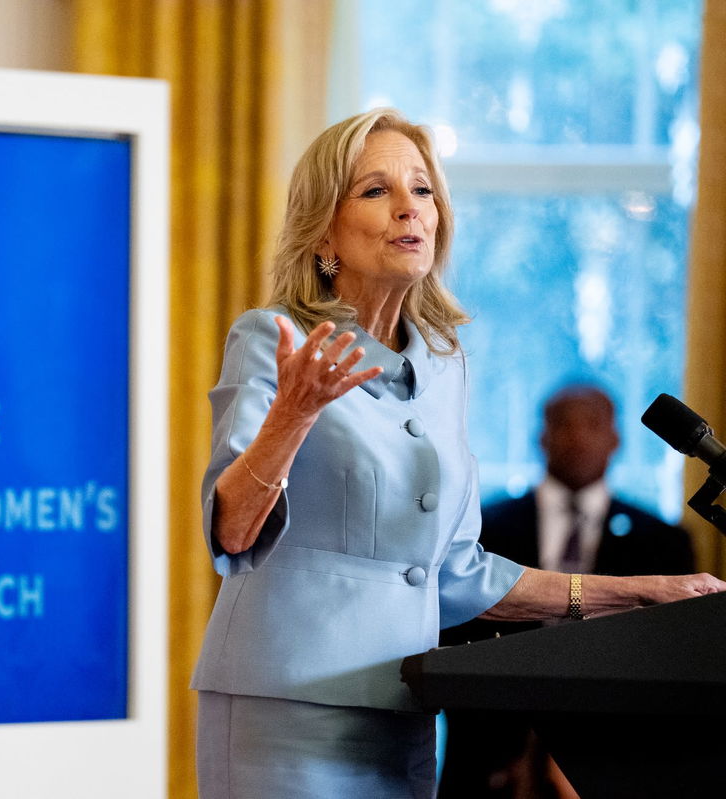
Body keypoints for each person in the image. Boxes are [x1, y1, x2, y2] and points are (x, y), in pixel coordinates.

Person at [190, 107, 725, 798]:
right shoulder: (274, 339)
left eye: (423, 190)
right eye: (375, 190)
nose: (409, 209)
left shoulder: (445, 365)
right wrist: (292, 413)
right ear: (324, 232)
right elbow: (230, 530)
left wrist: (640, 594)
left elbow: (458, 573)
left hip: (405, 712)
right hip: (287, 712)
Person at [438, 384, 694, 797]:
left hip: (615, 760)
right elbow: (453, 641)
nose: (577, 437)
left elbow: (668, 660)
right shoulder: (482, 532)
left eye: (592, 424)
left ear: (616, 439)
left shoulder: (663, 542)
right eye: (564, 425)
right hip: (490, 762)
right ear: (540, 437)